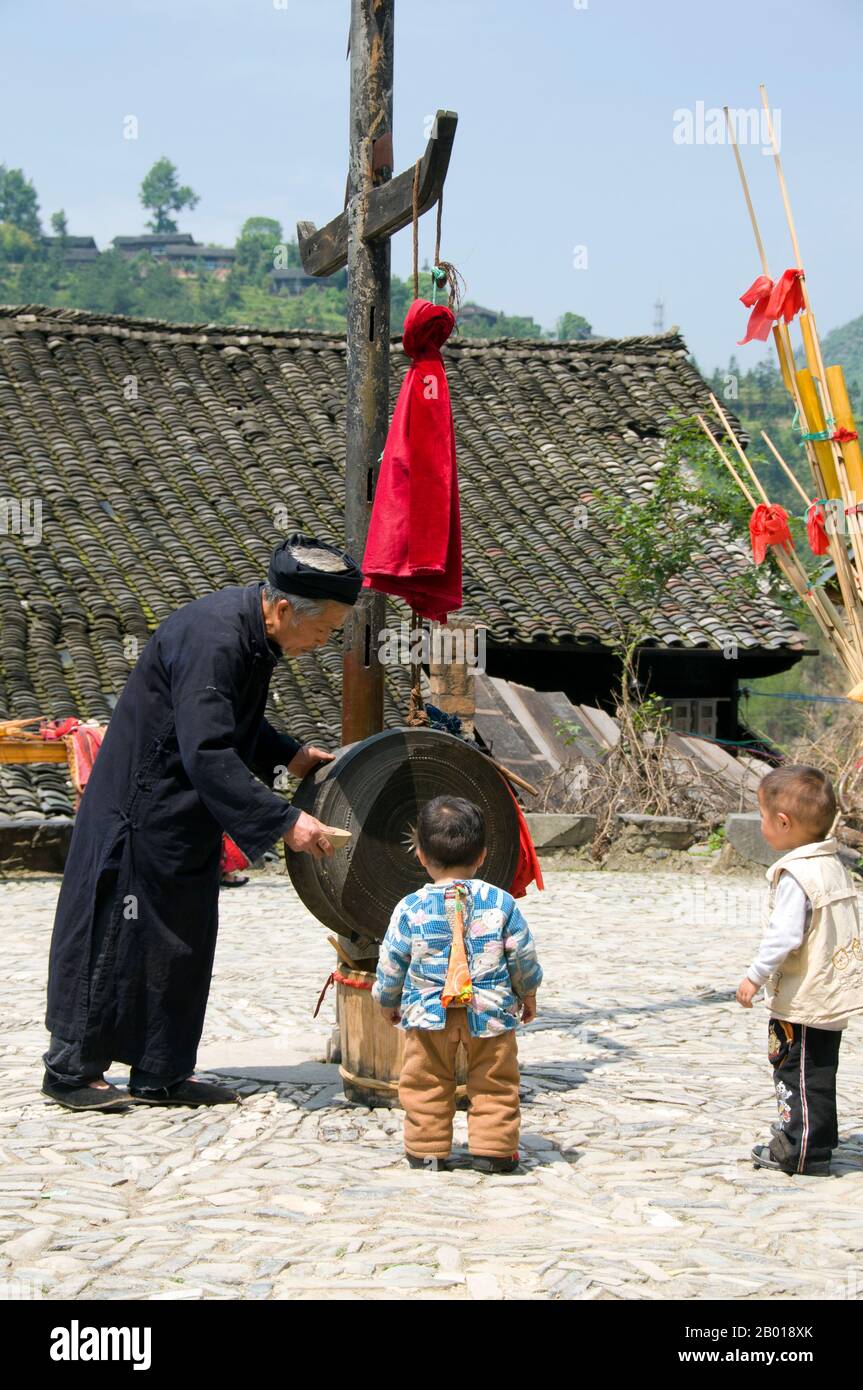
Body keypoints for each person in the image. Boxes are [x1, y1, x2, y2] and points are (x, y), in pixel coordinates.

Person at [42, 533, 363, 1113]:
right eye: (323, 630)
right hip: (138, 810)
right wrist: (286, 820)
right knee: (115, 931)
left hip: (183, 812)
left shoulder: (253, 635)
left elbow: (233, 720)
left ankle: (162, 1072)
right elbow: (208, 750)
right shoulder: (215, 638)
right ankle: (70, 1071)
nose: (322, 643)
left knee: (180, 939)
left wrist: (289, 753)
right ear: (285, 608)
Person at [373, 795, 542, 1173]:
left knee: (425, 1081)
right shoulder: (502, 904)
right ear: (482, 855)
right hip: (491, 1012)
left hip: (428, 1013)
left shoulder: (410, 907)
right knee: (495, 1081)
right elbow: (522, 955)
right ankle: (494, 1151)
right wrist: (527, 993)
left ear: (419, 854)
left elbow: (392, 958)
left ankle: (426, 1149)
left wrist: (387, 999)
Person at [736, 764, 863, 1175]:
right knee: (819, 1072)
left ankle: (799, 1150)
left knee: (795, 1071)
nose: (760, 824)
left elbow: (784, 936)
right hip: (831, 991)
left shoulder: (796, 874)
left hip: (805, 996)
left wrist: (755, 976)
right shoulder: (832, 865)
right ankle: (818, 1138)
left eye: (762, 815)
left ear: (783, 821)